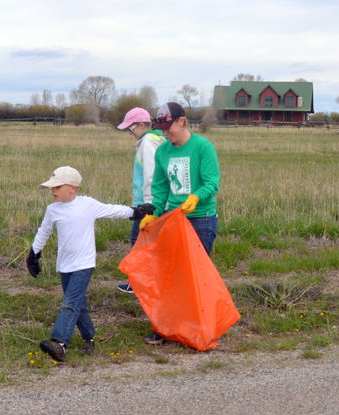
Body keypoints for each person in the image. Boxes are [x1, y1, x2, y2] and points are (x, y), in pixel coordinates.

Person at [26, 166, 141, 361]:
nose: (53, 191)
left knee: (69, 303)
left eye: (57, 187)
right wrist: (34, 254)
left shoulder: (87, 204)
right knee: (78, 303)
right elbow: (43, 231)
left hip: (84, 264)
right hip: (64, 266)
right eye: (51, 188)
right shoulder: (52, 209)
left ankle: (60, 344)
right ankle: (89, 337)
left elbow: (112, 210)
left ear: (73, 187)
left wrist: (135, 212)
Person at [139, 102, 220, 345]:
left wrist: (196, 197)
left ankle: (198, 329)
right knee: (169, 275)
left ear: (182, 122)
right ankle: (165, 327)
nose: (165, 133)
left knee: (195, 277)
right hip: (173, 220)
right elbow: (161, 187)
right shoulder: (163, 151)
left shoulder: (202, 147)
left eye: (169, 128)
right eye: (161, 129)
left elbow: (212, 182)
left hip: (201, 220)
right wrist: (154, 213)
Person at [115, 107, 165, 294]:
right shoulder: (159, 139)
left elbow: (151, 176)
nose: (130, 132)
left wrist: (149, 207)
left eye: (132, 128)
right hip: (154, 203)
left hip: (147, 205)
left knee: (138, 242)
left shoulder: (148, 143)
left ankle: (138, 284)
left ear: (143, 124)